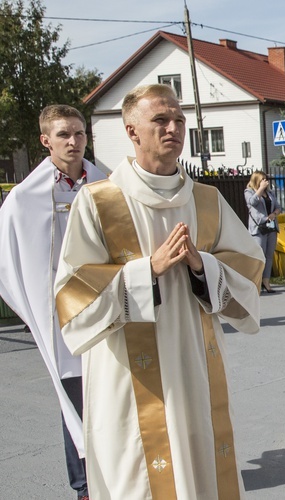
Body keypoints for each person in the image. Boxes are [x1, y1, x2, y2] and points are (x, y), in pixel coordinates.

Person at [53, 84, 265, 500]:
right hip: (129, 372)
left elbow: (250, 267)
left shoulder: (207, 200)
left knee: (202, 456)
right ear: (132, 131)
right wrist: (146, 271)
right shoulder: (99, 201)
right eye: (160, 120)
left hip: (195, 361)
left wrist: (204, 266)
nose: (174, 128)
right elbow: (71, 292)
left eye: (179, 120)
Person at [0, 105, 110, 500]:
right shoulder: (24, 199)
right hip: (59, 313)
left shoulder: (104, 184)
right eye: (63, 134)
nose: (73, 141)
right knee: (75, 400)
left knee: (112, 395)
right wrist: (31, 308)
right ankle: (84, 486)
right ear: (45, 140)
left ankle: (118, 475)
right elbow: (7, 261)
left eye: (79, 133)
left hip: (106, 306)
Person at [245, 170, 282, 293]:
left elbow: (278, 206)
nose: (266, 182)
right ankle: (256, 281)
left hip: (271, 226)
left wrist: (274, 214)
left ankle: (266, 281)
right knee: (259, 256)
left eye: (266, 179)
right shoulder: (249, 192)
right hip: (258, 228)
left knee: (269, 255)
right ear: (257, 180)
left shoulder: (269, 193)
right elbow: (252, 202)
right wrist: (260, 189)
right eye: (263, 179)